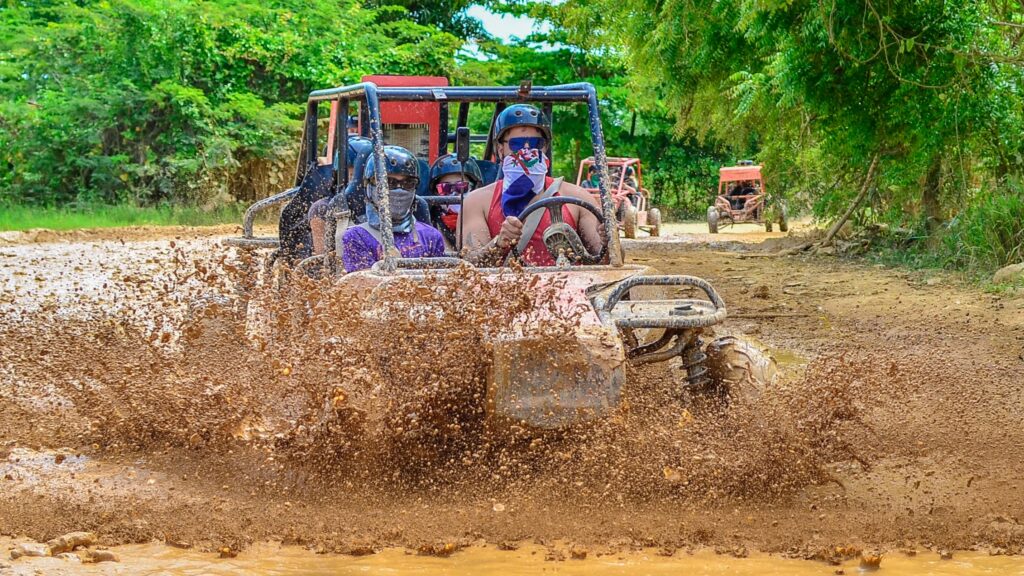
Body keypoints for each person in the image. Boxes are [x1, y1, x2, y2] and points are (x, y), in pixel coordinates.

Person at [458, 104, 605, 267]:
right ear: (500, 149)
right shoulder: (477, 202)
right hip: (505, 283)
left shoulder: (577, 198)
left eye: (536, 143)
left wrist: (608, 241)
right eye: (517, 144)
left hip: (568, 281)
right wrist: (498, 243)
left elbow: (605, 260)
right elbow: (470, 266)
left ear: (545, 147)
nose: (527, 150)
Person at [340, 145, 445, 273]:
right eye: (389, 183)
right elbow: (362, 283)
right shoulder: (356, 237)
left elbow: (440, 281)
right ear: (369, 186)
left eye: (408, 183)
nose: (399, 189)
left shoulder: (431, 236)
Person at [306, 136, 372, 255]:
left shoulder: (387, 207)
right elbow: (323, 258)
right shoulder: (323, 208)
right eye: (354, 172)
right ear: (339, 171)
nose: (360, 178)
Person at [427, 153, 483, 250]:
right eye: (445, 188)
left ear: (474, 188)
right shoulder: (429, 223)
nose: (453, 194)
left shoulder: (486, 218)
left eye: (461, 187)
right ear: (436, 192)